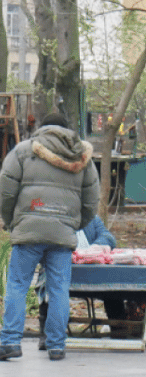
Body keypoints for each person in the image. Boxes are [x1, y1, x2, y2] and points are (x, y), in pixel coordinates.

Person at [0, 112, 99, 361]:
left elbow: (6, 189)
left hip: (28, 229)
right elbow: (91, 201)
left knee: (17, 286)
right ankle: (56, 346)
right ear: (67, 131)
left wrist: (13, 222)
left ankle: (10, 342)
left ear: (42, 129)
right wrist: (74, 225)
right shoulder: (82, 157)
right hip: (62, 233)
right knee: (58, 289)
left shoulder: (23, 151)